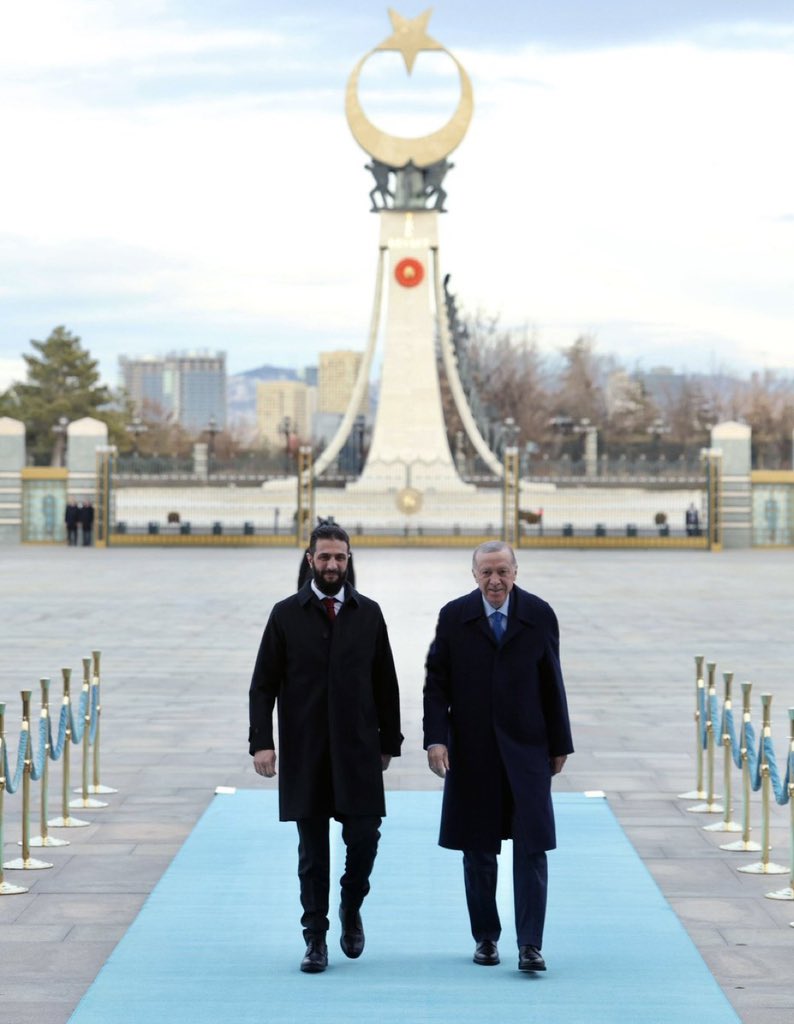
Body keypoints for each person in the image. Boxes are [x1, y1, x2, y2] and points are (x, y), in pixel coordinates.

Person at [249, 522, 401, 974]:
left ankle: (351, 904)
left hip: (358, 749)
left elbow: (386, 683)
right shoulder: (285, 614)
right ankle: (315, 937)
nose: (332, 565)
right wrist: (262, 743)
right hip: (307, 750)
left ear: (349, 560)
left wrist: (389, 742)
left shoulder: (368, 613)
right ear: (310, 559)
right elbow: (263, 684)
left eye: (339, 557)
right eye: (324, 557)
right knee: (312, 852)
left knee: (365, 838)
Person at [423, 541, 573, 973]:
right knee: (478, 849)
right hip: (473, 751)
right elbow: (437, 684)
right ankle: (486, 937)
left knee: (532, 848)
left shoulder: (539, 614)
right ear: (474, 574)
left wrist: (560, 743)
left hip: (528, 749)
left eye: (502, 571)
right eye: (486, 572)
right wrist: (436, 739)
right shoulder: (455, 616)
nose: (495, 581)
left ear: (515, 572)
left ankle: (530, 945)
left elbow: (552, 681)